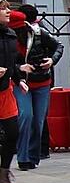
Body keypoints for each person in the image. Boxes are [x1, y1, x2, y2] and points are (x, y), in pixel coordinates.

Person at [10, 9, 62, 171]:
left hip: (42, 82)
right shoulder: (7, 39)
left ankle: (33, 155)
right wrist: (20, 67)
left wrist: (51, 61)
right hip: (21, 83)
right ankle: (23, 157)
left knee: (38, 121)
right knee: (26, 116)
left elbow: (59, 46)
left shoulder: (38, 34)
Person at [0, 0, 24, 183]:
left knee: (13, 132)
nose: (9, 11)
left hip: (5, 90)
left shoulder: (10, 34)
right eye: (3, 9)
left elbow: (12, 62)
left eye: (8, 7)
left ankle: (4, 172)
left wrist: (18, 79)